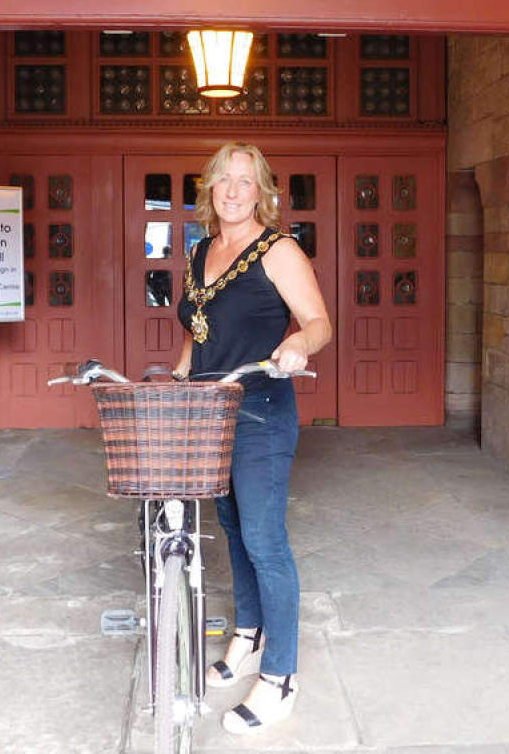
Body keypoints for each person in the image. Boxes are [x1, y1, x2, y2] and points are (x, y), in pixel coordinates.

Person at [174, 142, 332, 735]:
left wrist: (297, 345)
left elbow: (319, 323)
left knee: (265, 538)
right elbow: (198, 328)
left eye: (245, 181)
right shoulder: (199, 252)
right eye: (223, 180)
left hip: (261, 407)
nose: (233, 190)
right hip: (209, 410)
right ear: (210, 190)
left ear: (264, 191)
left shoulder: (279, 249)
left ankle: (281, 675)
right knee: (233, 528)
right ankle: (249, 632)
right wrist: (182, 371)